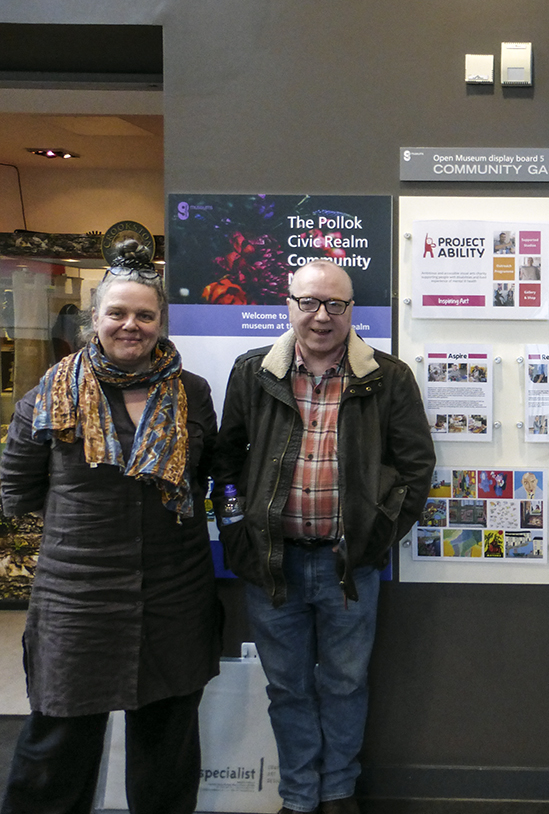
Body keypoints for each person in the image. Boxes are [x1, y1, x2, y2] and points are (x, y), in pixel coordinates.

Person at [212, 259, 435, 814]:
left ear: (351, 310)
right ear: (288, 305)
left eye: (335, 304)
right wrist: (237, 529)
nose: (321, 316)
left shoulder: (387, 378)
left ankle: (337, 792)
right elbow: (225, 465)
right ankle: (298, 796)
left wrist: (376, 535)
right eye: (309, 302)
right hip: (271, 565)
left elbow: (415, 468)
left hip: (348, 568)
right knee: (287, 690)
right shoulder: (252, 372)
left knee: (345, 687)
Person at [0, 265, 220, 814]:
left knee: (167, 747)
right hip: (77, 596)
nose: (131, 325)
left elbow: (208, 472)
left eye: (145, 315)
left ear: (161, 323)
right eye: (117, 313)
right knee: (58, 745)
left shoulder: (192, 393)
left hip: (174, 592)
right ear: (94, 319)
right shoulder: (49, 393)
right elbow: (17, 487)